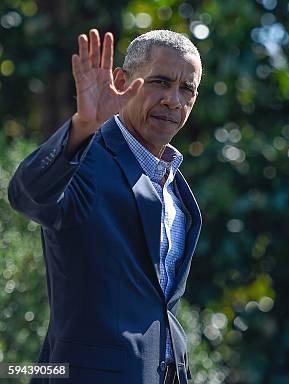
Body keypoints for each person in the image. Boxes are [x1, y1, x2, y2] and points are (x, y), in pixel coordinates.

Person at [8, 28, 203, 384]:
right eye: (160, 82)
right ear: (122, 81)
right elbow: (27, 195)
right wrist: (82, 125)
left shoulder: (178, 190)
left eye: (187, 89)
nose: (174, 100)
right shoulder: (87, 159)